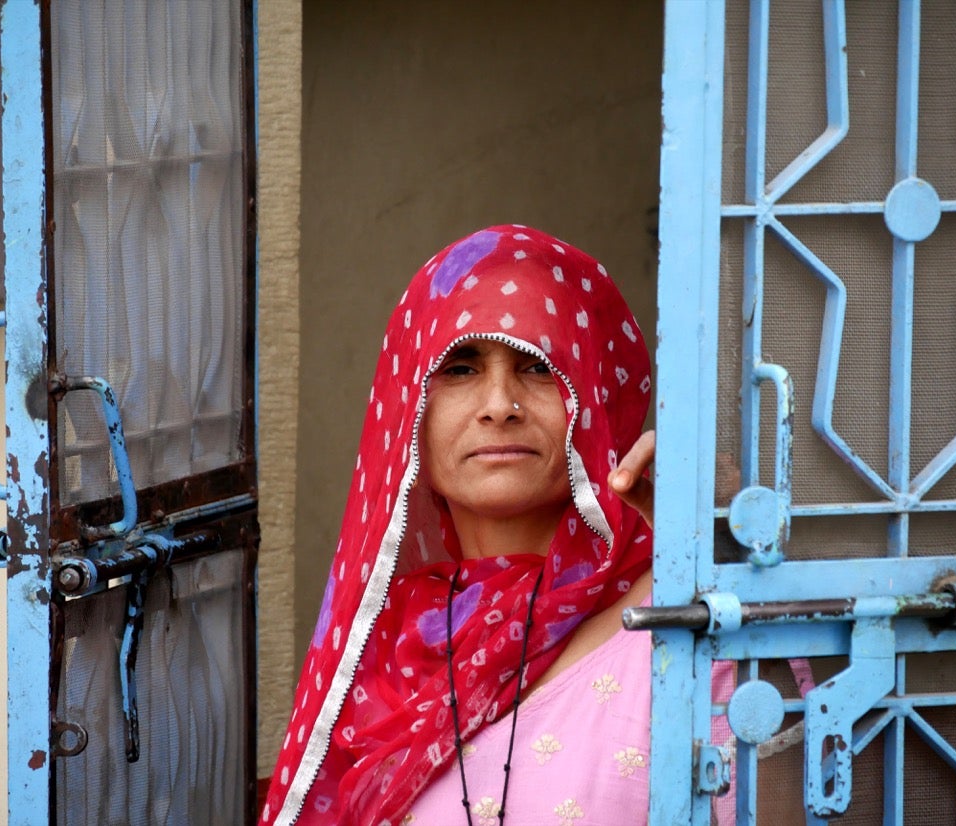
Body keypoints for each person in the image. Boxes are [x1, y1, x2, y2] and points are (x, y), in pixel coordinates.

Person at [263, 224, 688, 826]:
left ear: (594, 402)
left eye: (538, 368)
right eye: (460, 368)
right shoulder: (383, 651)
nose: (499, 404)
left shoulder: (686, 619)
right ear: (407, 414)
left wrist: (725, 563)